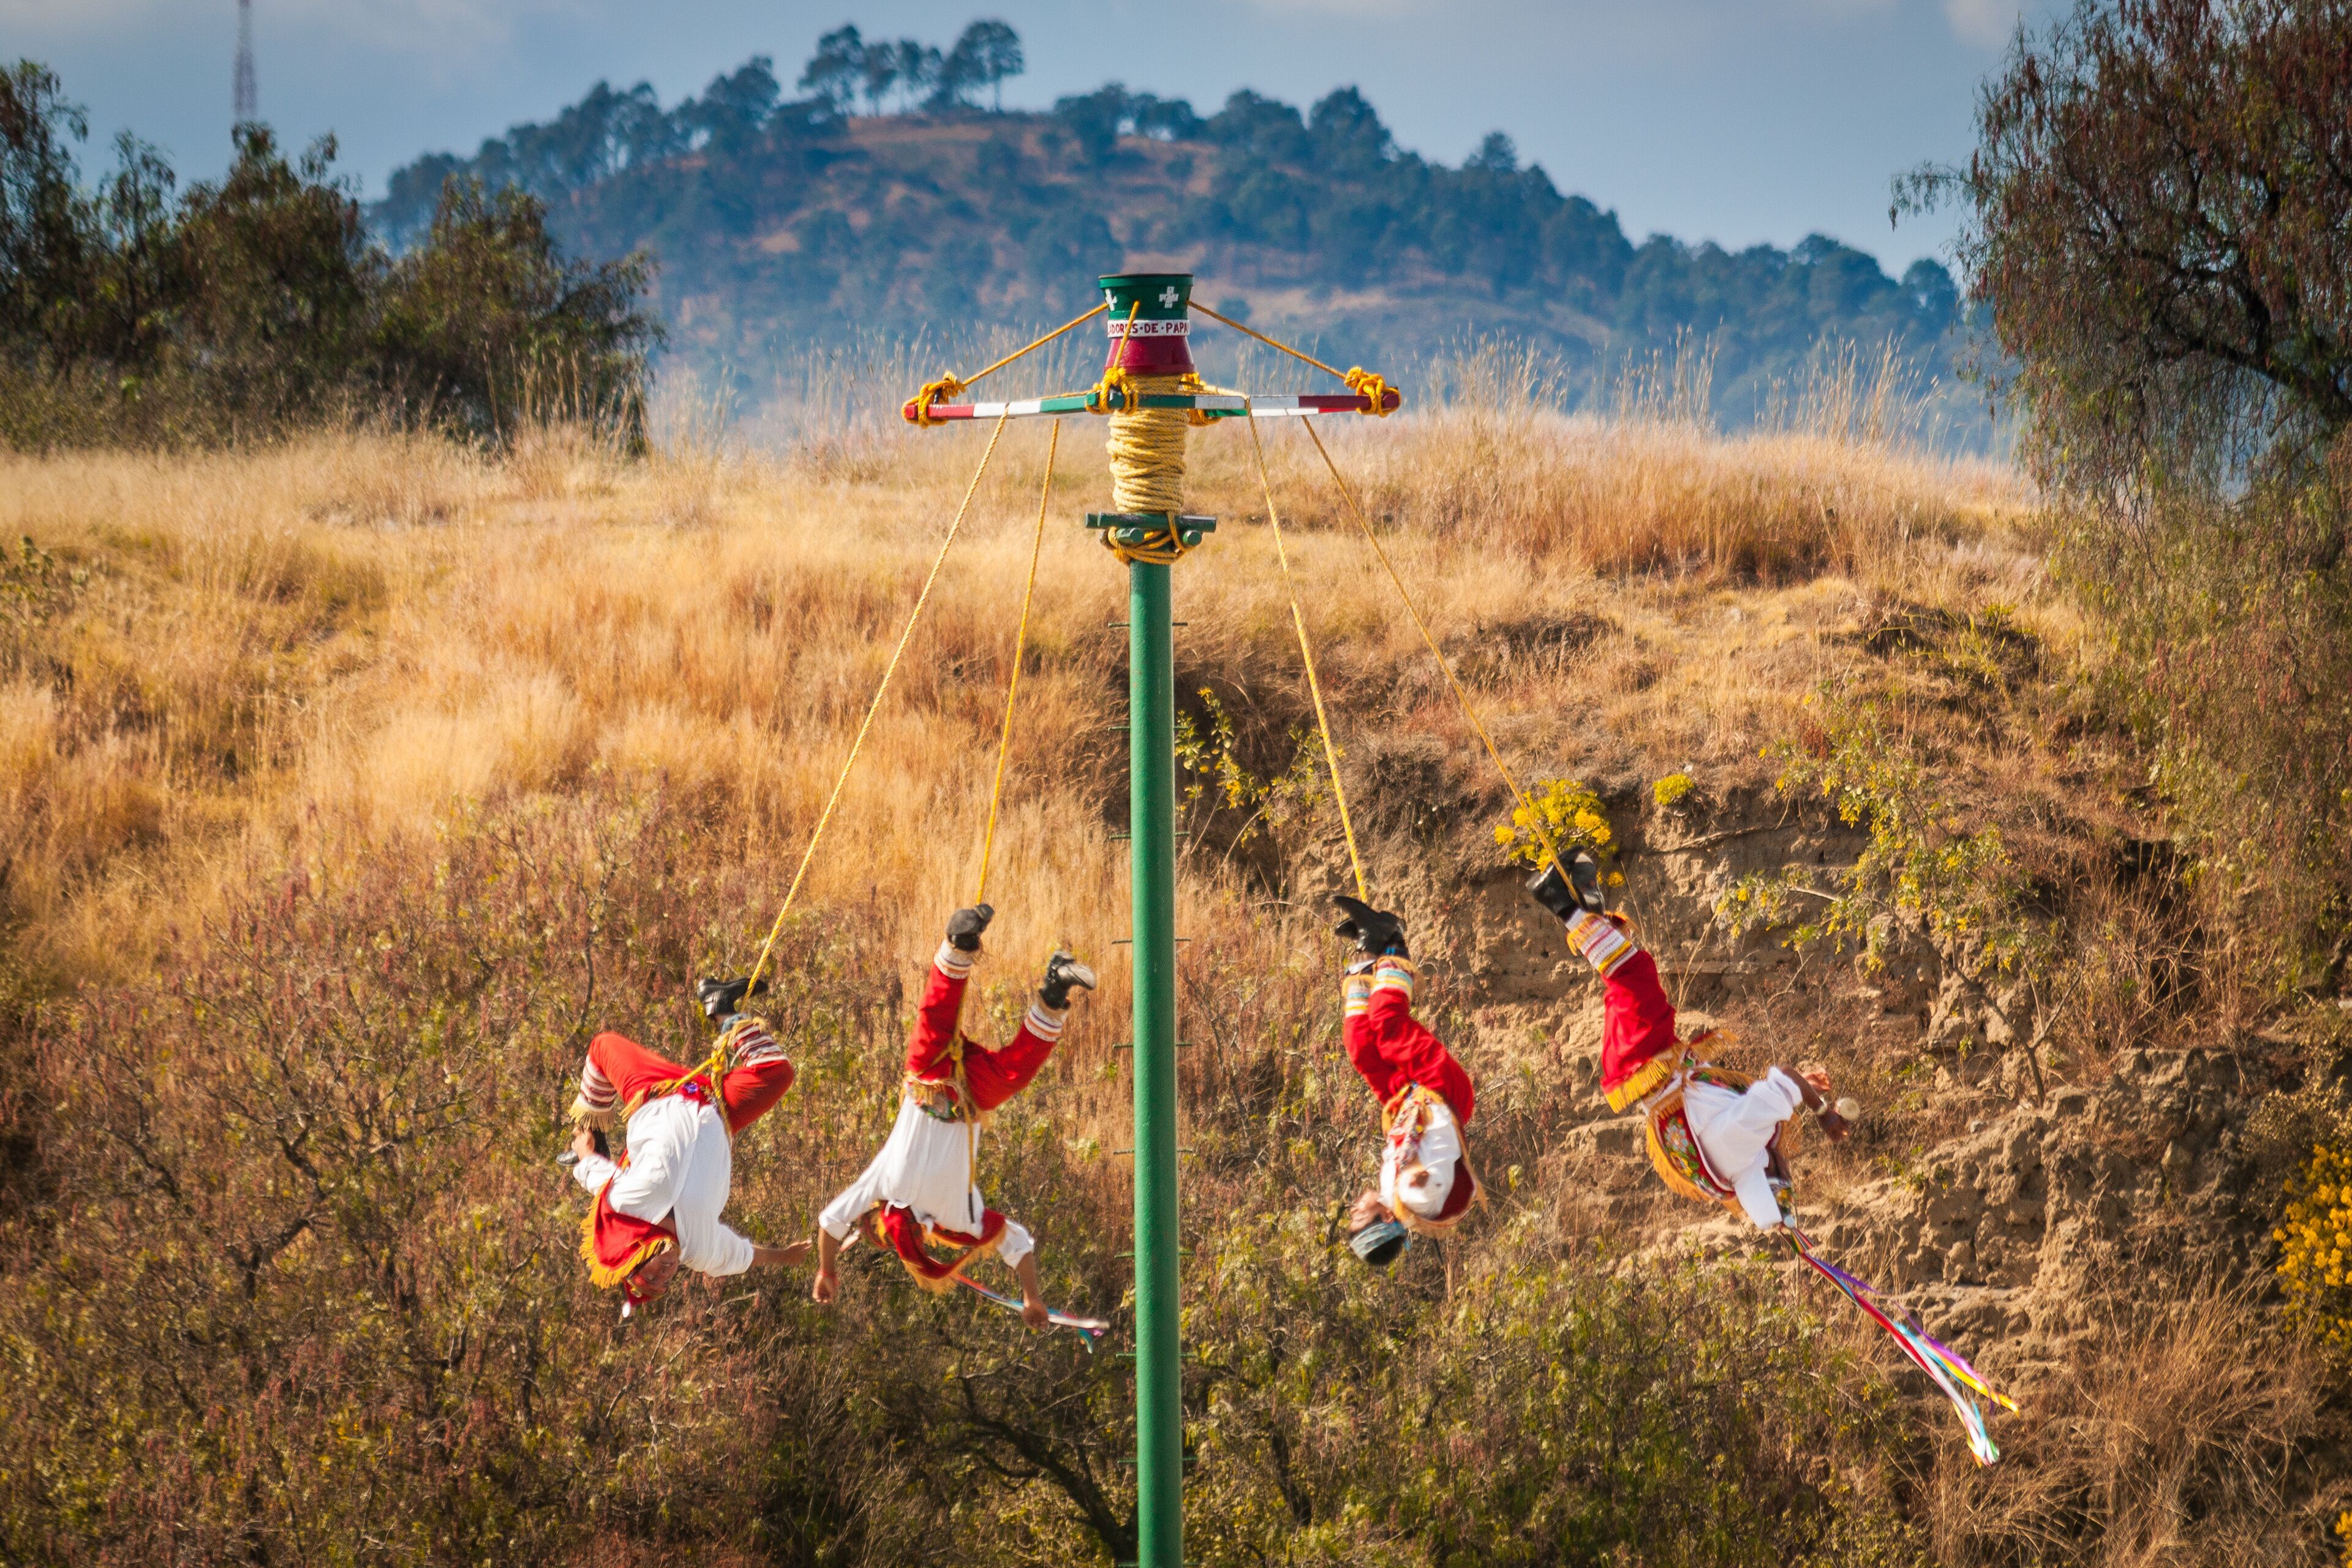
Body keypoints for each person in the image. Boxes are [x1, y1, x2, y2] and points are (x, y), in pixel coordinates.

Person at [1527, 850, 1850, 1230]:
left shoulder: (1747, 1138)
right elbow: (1769, 1099)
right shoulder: (1729, 1173)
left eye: (1783, 1173)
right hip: (1654, 1065)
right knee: (1627, 975)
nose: (1785, 1164)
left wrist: (1822, 1112)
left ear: (1768, 1175)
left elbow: (1784, 1074)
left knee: (1633, 973)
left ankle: (1562, 904)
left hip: (1649, 1061)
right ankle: (1587, 910)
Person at [812, 905, 1095, 1328]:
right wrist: (1033, 1297)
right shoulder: (959, 1220)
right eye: (883, 1238)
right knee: (1014, 1073)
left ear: (875, 1213)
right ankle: (1055, 986)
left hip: (926, 1079)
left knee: (936, 1019)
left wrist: (827, 1271)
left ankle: (959, 943)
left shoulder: (882, 1184)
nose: (885, 1230)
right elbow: (1017, 1244)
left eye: (875, 1228)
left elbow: (831, 1222)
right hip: (969, 1099)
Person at [567, 976, 810, 1314]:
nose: (664, 1277)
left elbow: (596, 1177)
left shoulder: (629, 1204)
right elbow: (741, 1255)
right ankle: (722, 1008)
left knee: (602, 1046)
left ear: (638, 1257)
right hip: (719, 1107)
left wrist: (585, 1148)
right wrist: (785, 1256)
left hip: (656, 1089)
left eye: (649, 1277)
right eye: (663, 1285)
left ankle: (594, 1125)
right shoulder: (700, 1248)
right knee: (778, 1074)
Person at [1331, 895, 1482, 1268]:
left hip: (1407, 1103)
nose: (1355, 1207)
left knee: (1361, 1047)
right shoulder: (1415, 1202)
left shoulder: (1390, 1193)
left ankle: (1368, 952)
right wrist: (1417, 1178)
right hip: (1441, 1095)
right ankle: (1393, 940)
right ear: (1384, 1219)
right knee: (1388, 1026)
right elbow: (1427, 1178)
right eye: (1360, 1215)